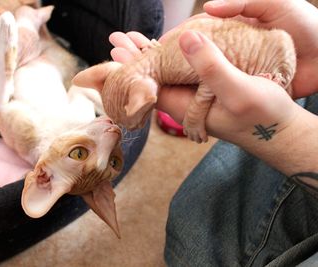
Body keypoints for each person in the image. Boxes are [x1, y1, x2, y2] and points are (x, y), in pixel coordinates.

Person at [109, 0, 318, 265]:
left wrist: (283, 131)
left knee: (194, 250)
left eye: (136, 120)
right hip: (297, 59)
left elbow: (209, 77)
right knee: (191, 232)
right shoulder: (162, 57)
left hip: (278, 62)